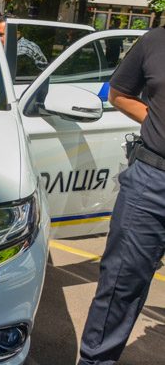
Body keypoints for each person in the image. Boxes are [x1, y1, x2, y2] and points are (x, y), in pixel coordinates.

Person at [77, 26, 165, 365]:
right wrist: (155, 123)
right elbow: (119, 93)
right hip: (152, 181)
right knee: (120, 284)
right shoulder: (155, 41)